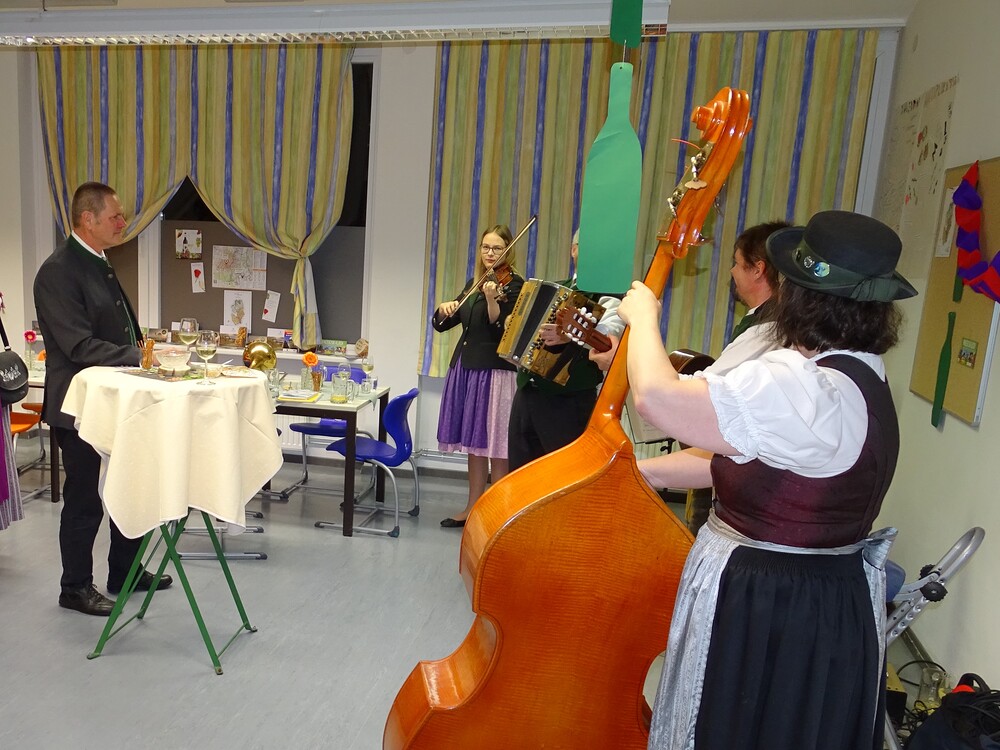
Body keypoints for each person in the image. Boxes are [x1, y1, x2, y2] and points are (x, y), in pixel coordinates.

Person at [618, 210, 916, 750]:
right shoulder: (857, 375)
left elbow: (657, 399)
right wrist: (643, 474)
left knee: (740, 726)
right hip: (824, 598)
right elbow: (758, 463)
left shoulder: (802, 387)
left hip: (769, 604)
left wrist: (643, 318)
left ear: (797, 298)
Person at [34, 181, 173, 617]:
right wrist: (139, 356)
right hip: (79, 405)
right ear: (87, 219)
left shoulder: (98, 261)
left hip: (116, 400)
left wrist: (141, 352)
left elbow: (118, 330)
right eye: (114, 216)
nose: (122, 223)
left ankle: (125, 571)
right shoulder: (58, 271)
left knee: (131, 485)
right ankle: (74, 587)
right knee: (84, 499)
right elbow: (78, 345)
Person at [680, 220, 790, 534]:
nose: (731, 271)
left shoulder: (768, 328)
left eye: (737, 263)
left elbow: (703, 392)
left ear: (758, 269)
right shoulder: (763, 320)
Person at [432, 225, 524, 528]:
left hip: (495, 372)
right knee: (475, 444)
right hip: (467, 368)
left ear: (508, 250)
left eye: (497, 248)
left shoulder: (515, 285)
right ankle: (473, 507)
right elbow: (443, 324)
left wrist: (492, 299)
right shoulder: (476, 282)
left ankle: (497, 513)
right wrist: (443, 308)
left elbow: (502, 329)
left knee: (497, 445)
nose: (490, 253)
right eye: (486, 247)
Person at [508, 230, 624, 471]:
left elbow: (610, 337)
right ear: (573, 250)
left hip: (569, 401)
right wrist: (514, 325)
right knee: (521, 473)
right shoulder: (556, 288)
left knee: (564, 473)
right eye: (585, 246)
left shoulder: (610, 295)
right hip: (526, 394)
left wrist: (570, 335)